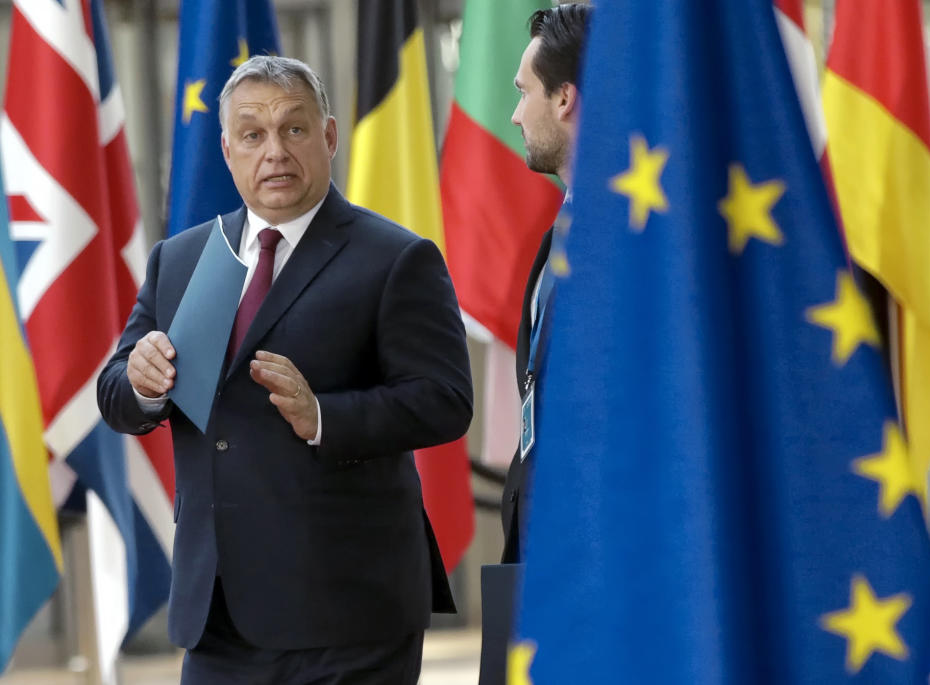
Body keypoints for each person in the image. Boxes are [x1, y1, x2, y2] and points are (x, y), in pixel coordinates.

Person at [97, 55, 472, 685]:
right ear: (226, 149)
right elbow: (116, 392)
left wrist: (324, 415)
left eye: (293, 130)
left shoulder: (397, 258)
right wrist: (138, 380)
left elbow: (444, 399)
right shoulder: (182, 258)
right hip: (216, 613)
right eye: (252, 134)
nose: (274, 151)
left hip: (346, 612)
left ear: (328, 137)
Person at [501, 2, 593, 564]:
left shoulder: (639, 239)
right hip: (541, 535)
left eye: (523, 91)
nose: (515, 115)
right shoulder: (562, 227)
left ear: (563, 98)